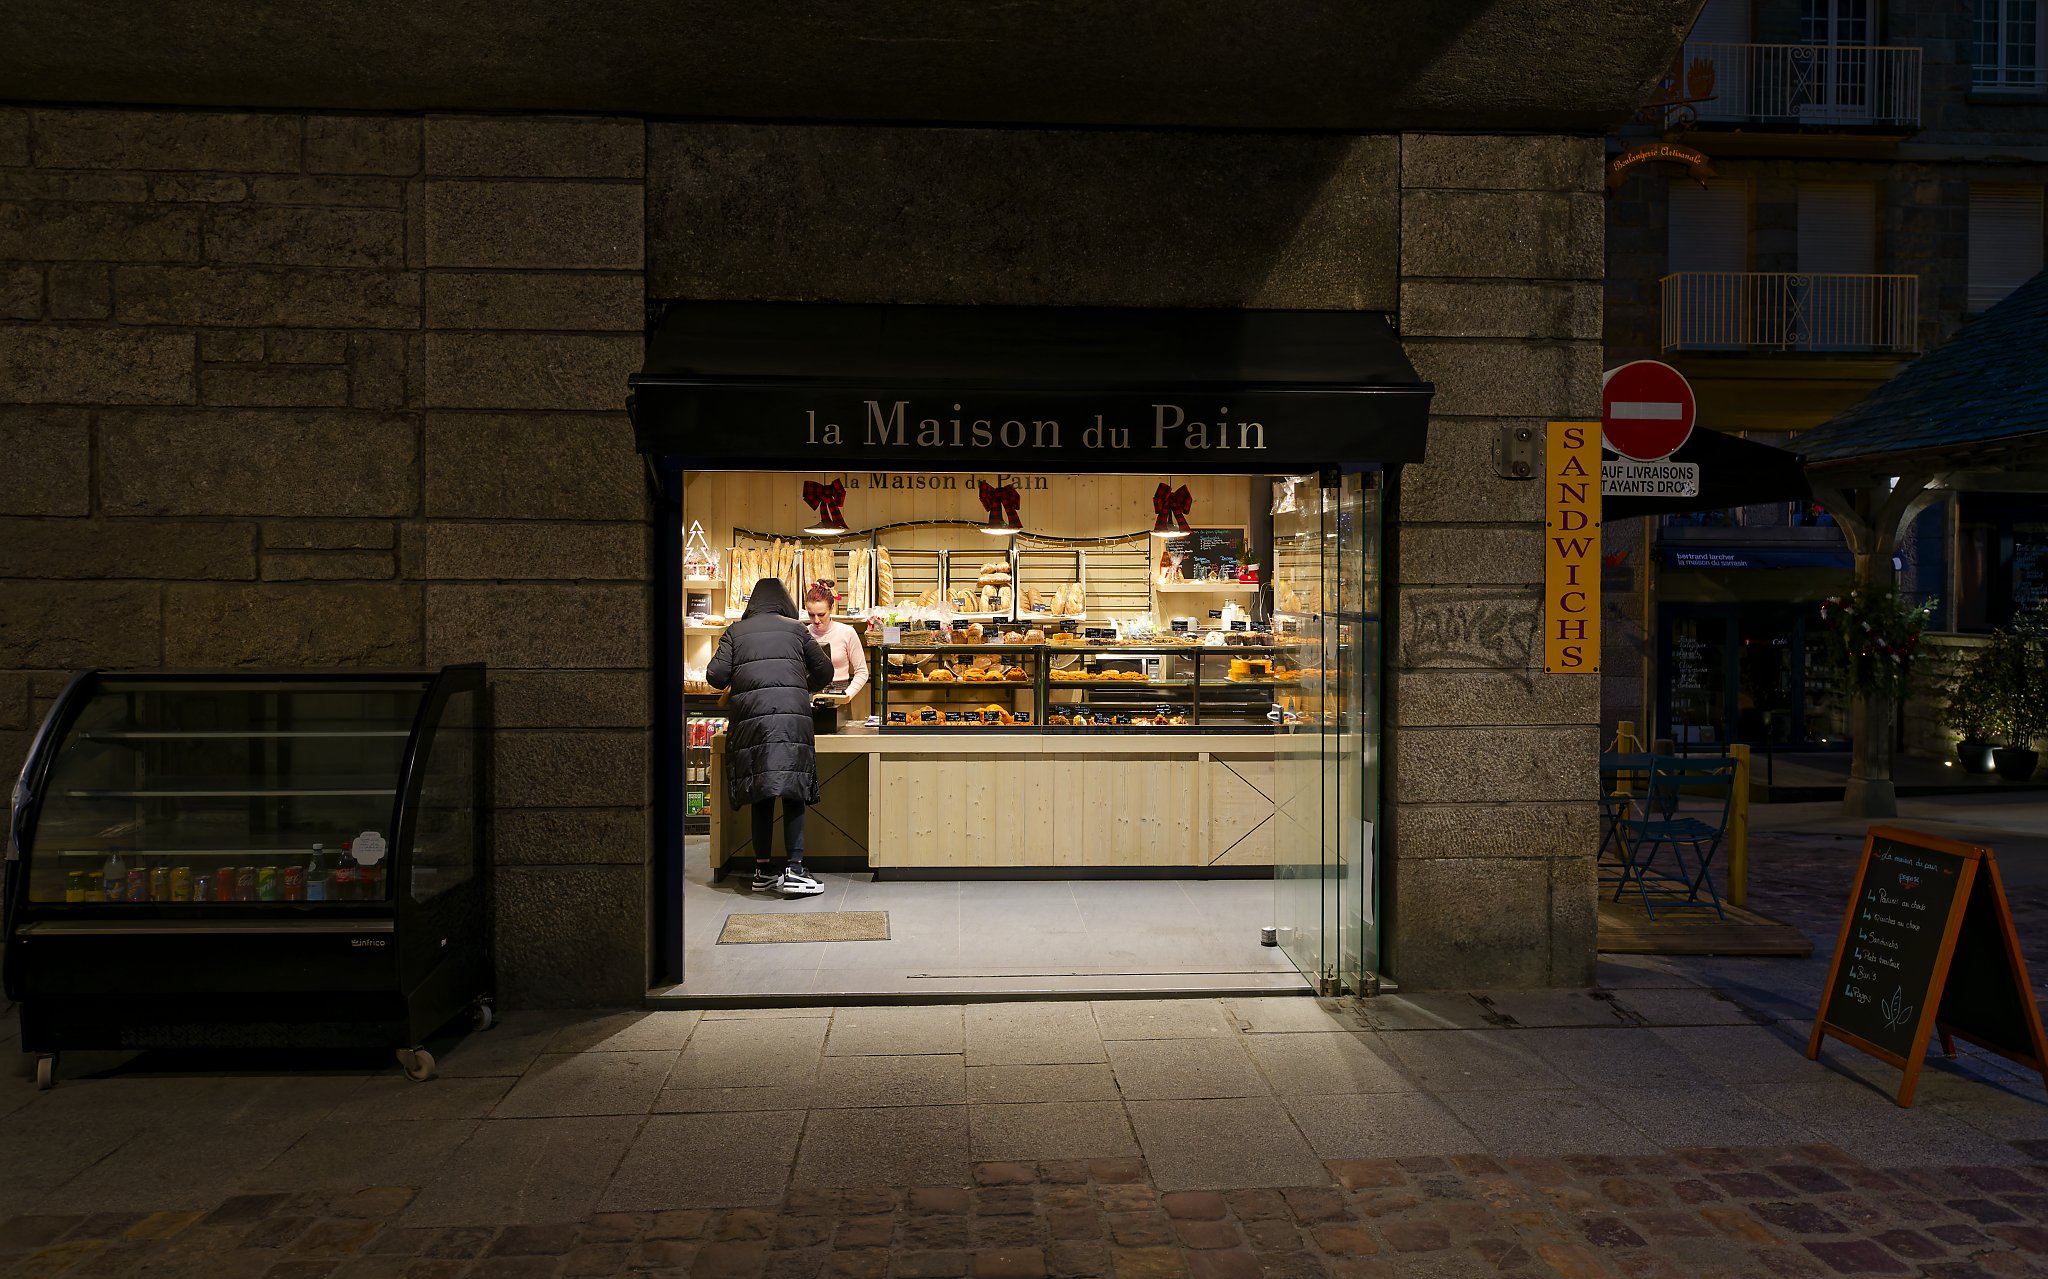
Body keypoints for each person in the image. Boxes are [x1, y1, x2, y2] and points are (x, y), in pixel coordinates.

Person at [705, 578, 834, 896]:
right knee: (793, 792)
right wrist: (802, 683)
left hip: (751, 724)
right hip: (792, 721)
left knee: (761, 794)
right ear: (785, 602)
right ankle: (794, 869)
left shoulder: (735, 631)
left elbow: (715, 676)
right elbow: (825, 672)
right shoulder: (795, 630)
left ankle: (762, 870)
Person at [803, 580, 869, 703]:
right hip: (810, 696)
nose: (816, 620)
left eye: (821, 614)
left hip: (840, 694)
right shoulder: (803, 634)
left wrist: (847, 695)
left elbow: (862, 671)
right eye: (811, 615)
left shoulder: (847, 632)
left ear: (832, 608)